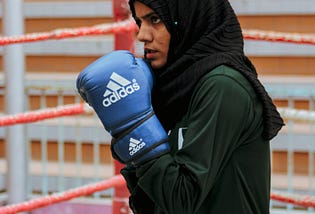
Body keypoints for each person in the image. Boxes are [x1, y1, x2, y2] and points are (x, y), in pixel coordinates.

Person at [78, 0, 285, 213]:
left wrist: (137, 135)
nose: (142, 35)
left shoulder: (223, 87)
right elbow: (148, 205)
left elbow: (181, 201)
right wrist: (129, 138)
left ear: (188, 18)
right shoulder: (173, 88)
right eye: (140, 21)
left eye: (155, 20)